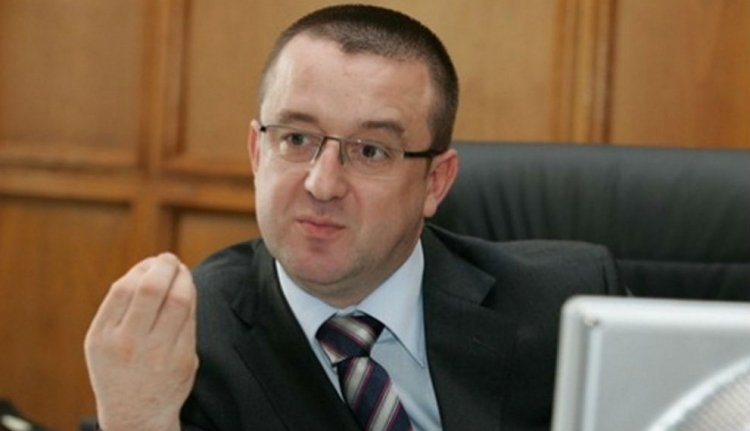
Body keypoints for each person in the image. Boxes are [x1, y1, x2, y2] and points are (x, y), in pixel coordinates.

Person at [84, 4, 623, 431]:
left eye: (370, 151)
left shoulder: (569, 310)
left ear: (435, 182)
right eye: (297, 139)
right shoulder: (189, 345)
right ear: (256, 153)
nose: (322, 185)